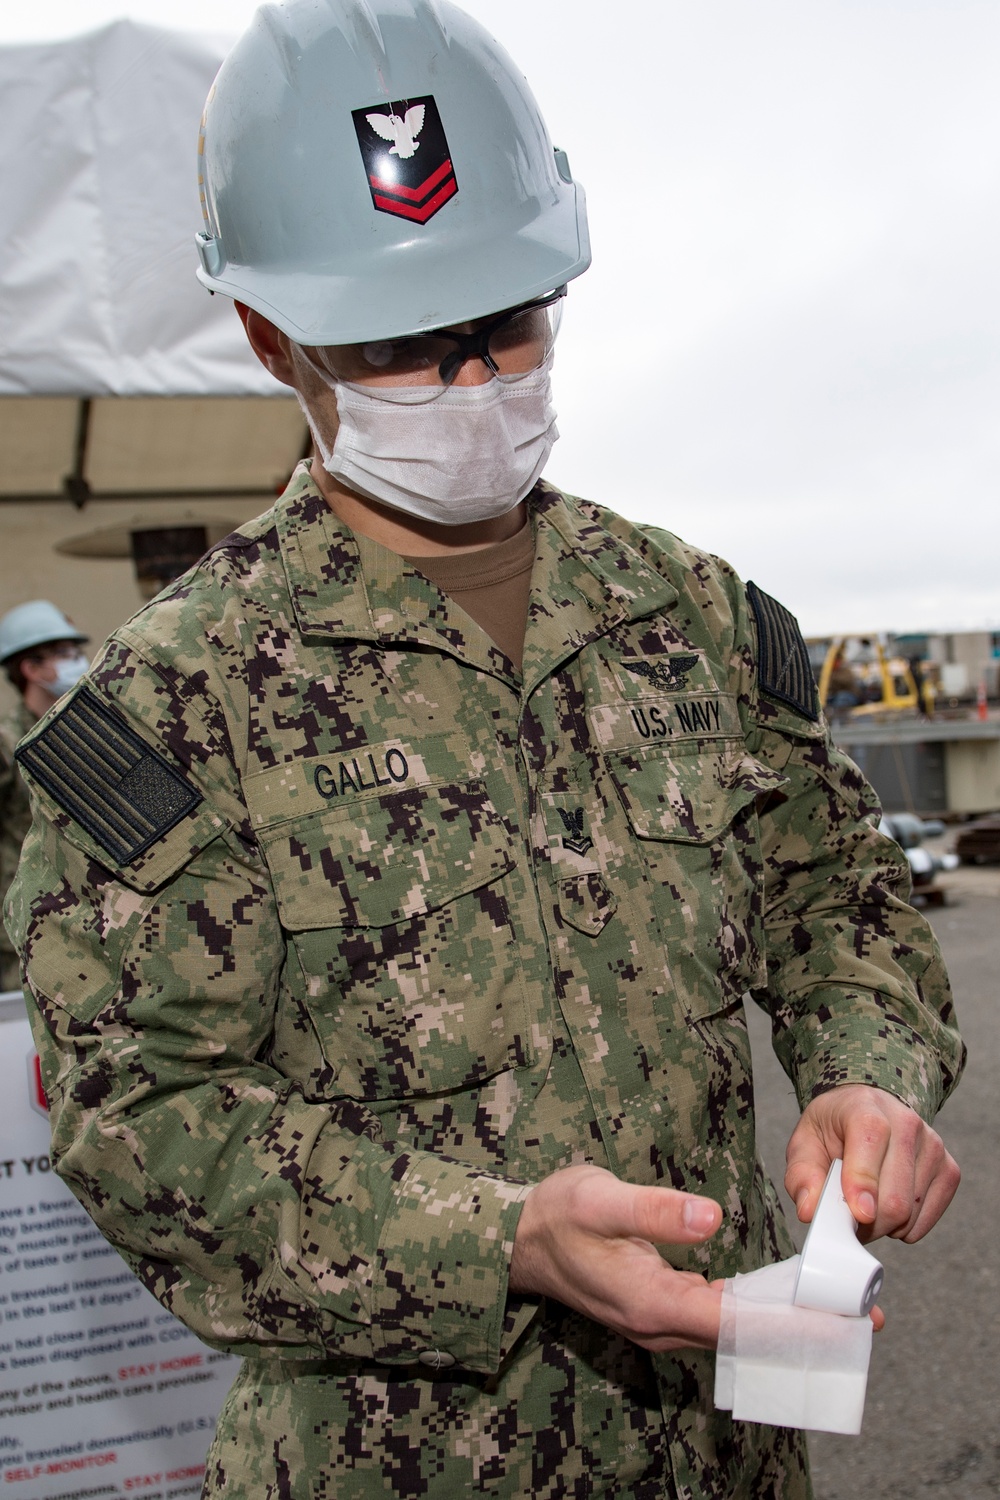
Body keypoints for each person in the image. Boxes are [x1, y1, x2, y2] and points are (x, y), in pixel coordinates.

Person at [7, 3, 963, 1497]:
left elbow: (841, 908)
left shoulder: (695, 616)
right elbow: (141, 1117)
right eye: (395, 341)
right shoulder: (171, 708)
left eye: (506, 316)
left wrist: (869, 1077)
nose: (468, 378)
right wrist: (492, 1236)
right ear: (271, 338)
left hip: (725, 1448)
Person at [0, 600, 88, 991]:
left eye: (76, 652)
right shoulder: (5, 744)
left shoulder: (84, 732)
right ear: (30, 669)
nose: (77, 662)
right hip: (25, 932)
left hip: (91, 922)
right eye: (64, 654)